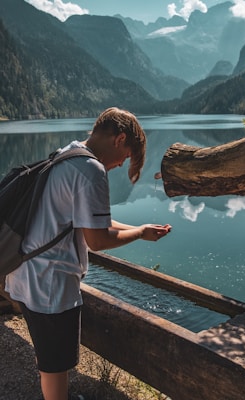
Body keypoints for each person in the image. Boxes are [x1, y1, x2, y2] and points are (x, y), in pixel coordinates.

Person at [5, 107, 171, 400]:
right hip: (51, 286)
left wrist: (140, 227)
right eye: (127, 156)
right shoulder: (91, 171)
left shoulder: (68, 153)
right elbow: (96, 239)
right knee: (56, 362)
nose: (121, 165)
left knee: (48, 353)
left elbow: (92, 221)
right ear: (119, 139)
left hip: (26, 274)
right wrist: (140, 235)